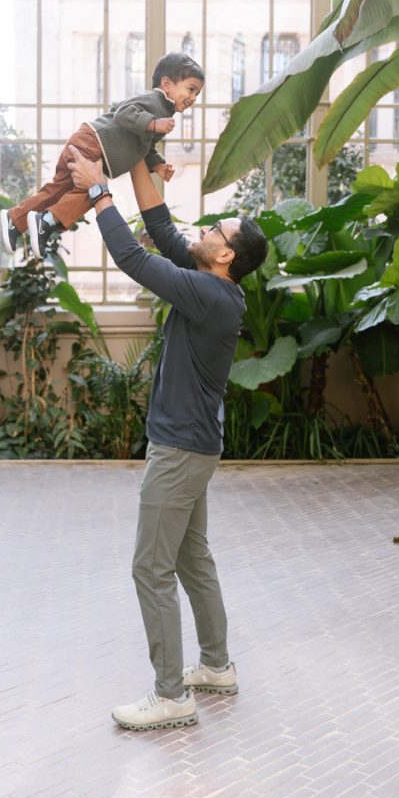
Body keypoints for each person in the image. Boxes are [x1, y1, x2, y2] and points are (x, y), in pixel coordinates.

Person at [66, 149, 268, 731]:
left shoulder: (207, 294)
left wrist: (100, 193)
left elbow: (132, 255)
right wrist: (139, 163)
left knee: (150, 568)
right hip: (196, 447)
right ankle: (216, 666)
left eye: (214, 229)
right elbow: (158, 229)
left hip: (179, 452)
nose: (202, 230)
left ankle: (171, 696)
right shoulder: (210, 282)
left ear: (226, 253)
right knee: (190, 557)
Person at [0, 51, 204, 259]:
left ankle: (14, 220)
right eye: (191, 89)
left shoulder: (164, 112)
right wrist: (153, 123)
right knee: (92, 192)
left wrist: (158, 165)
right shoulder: (153, 100)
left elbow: (145, 147)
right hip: (92, 143)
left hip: (87, 144)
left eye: (197, 93)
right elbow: (122, 113)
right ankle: (47, 222)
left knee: (57, 190)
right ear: (167, 84)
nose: (193, 98)